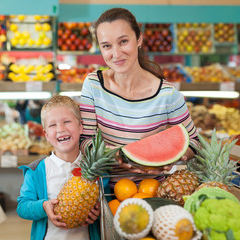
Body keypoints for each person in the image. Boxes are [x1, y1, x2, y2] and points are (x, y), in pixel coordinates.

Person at [79, 8, 200, 183]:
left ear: (139, 39)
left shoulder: (167, 94)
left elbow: (194, 142)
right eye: (107, 46)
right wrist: (113, 156)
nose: (116, 53)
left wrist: (175, 156)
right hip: (104, 190)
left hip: (152, 190)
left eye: (123, 41)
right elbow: (85, 140)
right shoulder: (93, 84)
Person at [17, 95, 101, 240]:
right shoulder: (36, 171)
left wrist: (99, 210)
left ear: (81, 126)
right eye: (52, 125)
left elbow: (106, 202)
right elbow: (22, 206)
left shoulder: (95, 170)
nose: (60, 129)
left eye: (67, 122)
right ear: (46, 135)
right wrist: (43, 206)